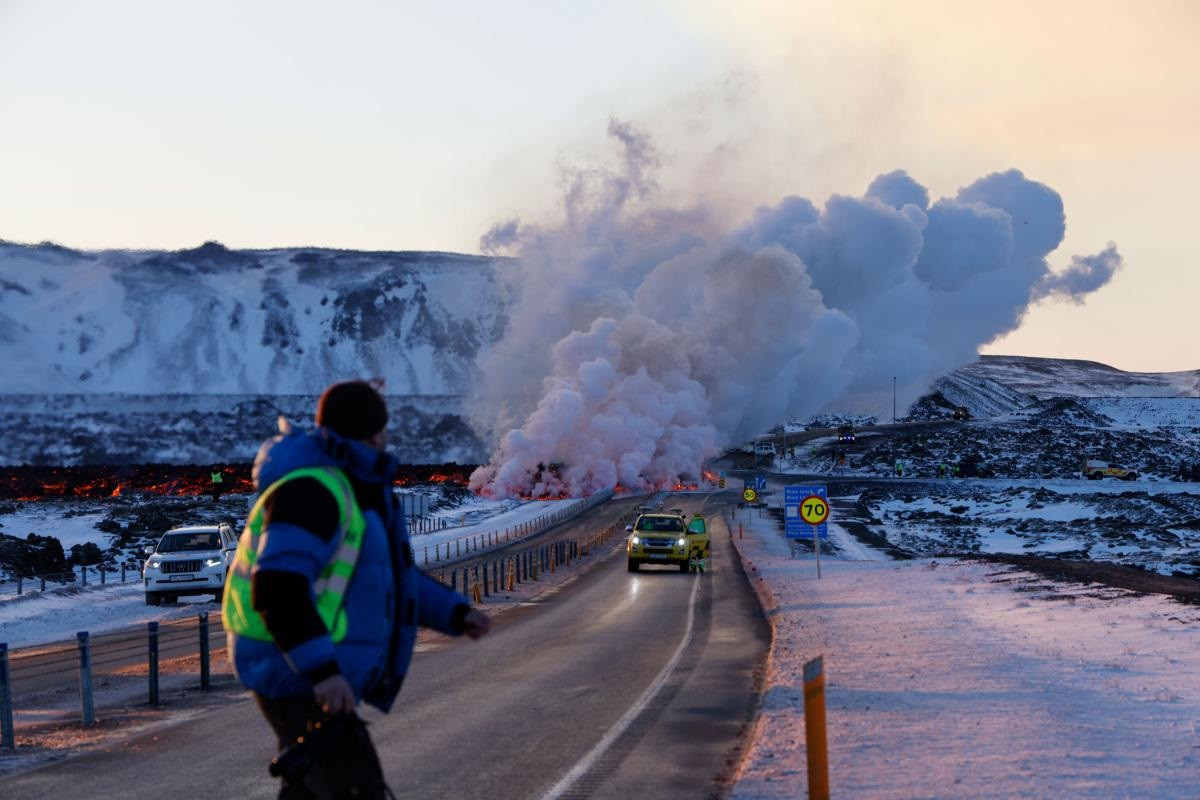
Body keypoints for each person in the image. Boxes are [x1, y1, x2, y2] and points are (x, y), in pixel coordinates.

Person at [224, 380, 491, 799]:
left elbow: (389, 580)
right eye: (381, 428)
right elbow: (276, 587)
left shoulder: (352, 490)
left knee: (313, 789)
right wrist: (323, 672)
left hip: (305, 668)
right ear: (372, 433)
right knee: (356, 790)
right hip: (295, 671)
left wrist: (455, 613)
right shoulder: (313, 491)